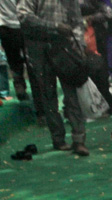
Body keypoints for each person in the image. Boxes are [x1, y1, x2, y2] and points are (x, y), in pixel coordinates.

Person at [18, 0, 90, 156]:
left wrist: (79, 46)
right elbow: (23, 16)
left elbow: (76, 21)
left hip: (64, 48)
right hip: (39, 47)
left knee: (72, 94)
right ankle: (58, 138)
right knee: (48, 95)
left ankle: (78, 140)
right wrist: (54, 27)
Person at [0, 0, 30, 100]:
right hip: (24, 25)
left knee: (13, 59)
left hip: (5, 26)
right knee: (31, 60)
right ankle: (37, 92)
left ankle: (19, 87)